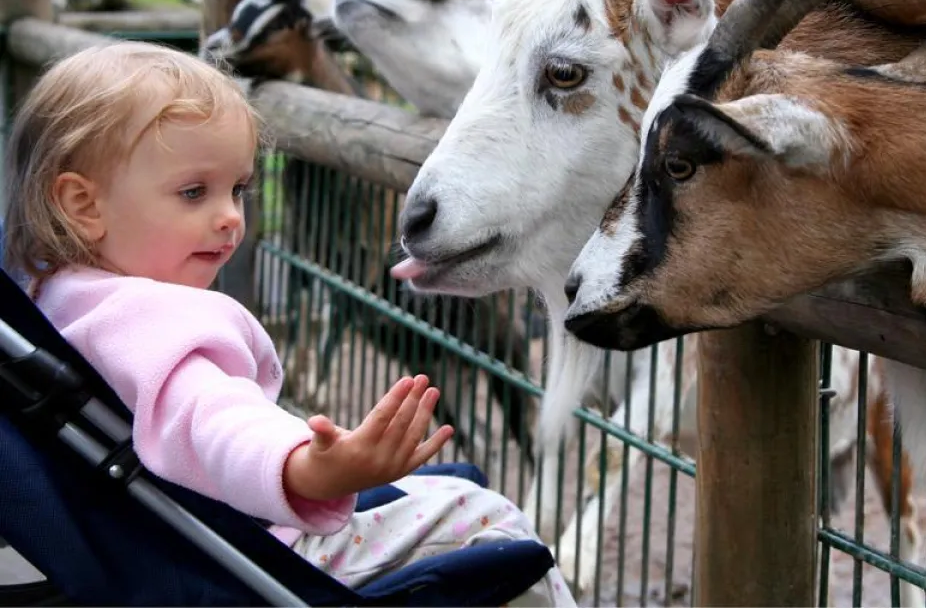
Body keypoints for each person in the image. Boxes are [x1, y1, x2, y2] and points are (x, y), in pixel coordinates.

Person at [2, 40, 574, 605]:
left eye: (239, 189)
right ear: (84, 206)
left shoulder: (49, 298)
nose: (229, 217)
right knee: (487, 517)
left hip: (167, 540)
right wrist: (307, 467)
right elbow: (212, 420)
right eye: (193, 192)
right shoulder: (150, 321)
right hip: (263, 549)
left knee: (439, 490)